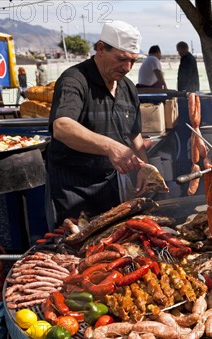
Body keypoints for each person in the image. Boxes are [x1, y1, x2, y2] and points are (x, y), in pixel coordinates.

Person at [46, 20, 152, 227]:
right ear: (101, 49)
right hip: (73, 189)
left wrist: (145, 168)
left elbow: (134, 136)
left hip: (111, 184)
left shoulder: (128, 87)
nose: (127, 68)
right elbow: (62, 127)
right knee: (75, 249)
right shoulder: (75, 80)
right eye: (121, 59)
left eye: (133, 61)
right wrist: (110, 146)